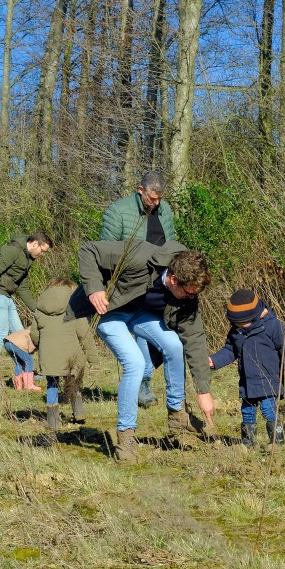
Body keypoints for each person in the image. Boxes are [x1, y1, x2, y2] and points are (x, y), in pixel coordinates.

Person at [65, 240, 215, 464]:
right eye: (188, 294)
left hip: (140, 314)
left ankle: (177, 414)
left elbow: (194, 338)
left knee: (174, 344)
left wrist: (203, 390)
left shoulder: (187, 293)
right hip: (109, 312)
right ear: (174, 279)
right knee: (135, 363)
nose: (191, 299)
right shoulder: (139, 257)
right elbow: (89, 250)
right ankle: (126, 437)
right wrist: (95, 288)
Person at [100, 170, 176, 408]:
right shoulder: (118, 211)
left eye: (160, 198)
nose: (157, 203)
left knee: (165, 335)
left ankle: (166, 390)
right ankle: (143, 382)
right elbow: (104, 253)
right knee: (140, 336)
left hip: (158, 284)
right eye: (152, 198)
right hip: (129, 285)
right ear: (140, 190)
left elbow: (172, 244)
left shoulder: (165, 211)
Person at [209, 289, 285, 447]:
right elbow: (230, 351)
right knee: (247, 412)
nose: (240, 326)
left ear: (255, 315)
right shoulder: (236, 332)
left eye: (243, 322)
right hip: (247, 381)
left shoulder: (273, 326)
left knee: (268, 409)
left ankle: (277, 440)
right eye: (236, 323)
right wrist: (213, 361)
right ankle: (248, 442)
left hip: (269, 379)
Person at [30, 278, 100, 433]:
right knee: (73, 382)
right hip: (72, 355)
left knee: (52, 385)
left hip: (49, 355)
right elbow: (85, 335)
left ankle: (53, 421)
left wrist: (38, 345)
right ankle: (79, 412)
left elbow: (34, 334)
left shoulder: (40, 308)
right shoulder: (75, 307)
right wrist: (93, 358)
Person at [0, 231, 52, 388]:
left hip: (7, 296)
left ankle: (23, 374)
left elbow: (23, 288)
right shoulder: (13, 250)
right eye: (42, 250)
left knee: (19, 337)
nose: (42, 254)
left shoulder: (28, 260)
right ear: (35, 244)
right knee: (1, 334)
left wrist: (37, 310)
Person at [3, 328, 42, 392]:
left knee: (19, 363)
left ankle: (18, 386)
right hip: (16, 344)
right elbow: (33, 344)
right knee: (29, 361)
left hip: (7, 342)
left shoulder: (31, 329)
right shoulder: (38, 333)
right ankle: (29, 386)